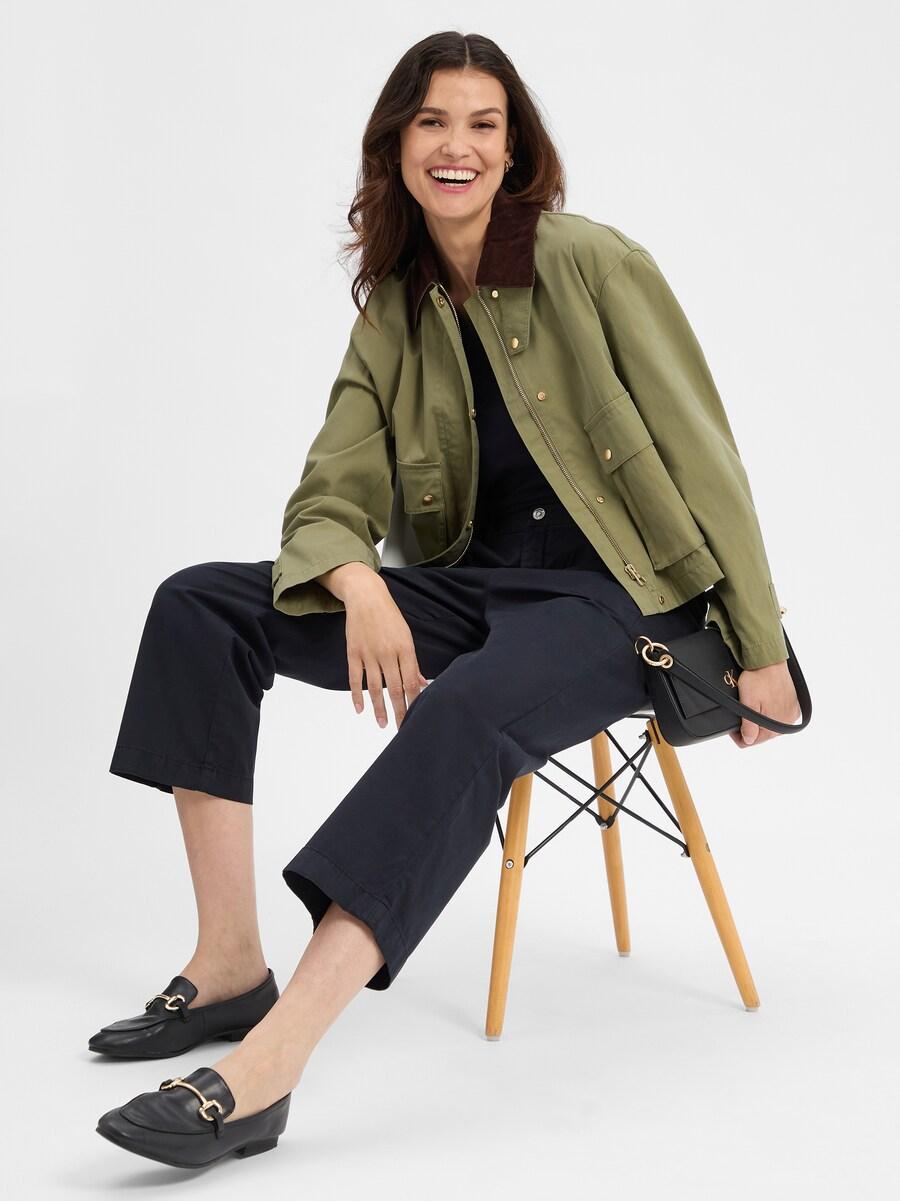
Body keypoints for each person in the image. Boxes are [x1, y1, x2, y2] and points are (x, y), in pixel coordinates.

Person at [92, 32, 802, 1169]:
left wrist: (760, 646)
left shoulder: (591, 262)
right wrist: (360, 582)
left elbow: (702, 452)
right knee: (199, 607)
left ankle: (269, 1067)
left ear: (514, 150)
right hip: (474, 585)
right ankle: (228, 965)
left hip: (620, 602)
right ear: (397, 144)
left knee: (464, 710)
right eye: (432, 122)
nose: (456, 146)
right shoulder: (397, 308)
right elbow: (331, 489)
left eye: (483, 124)